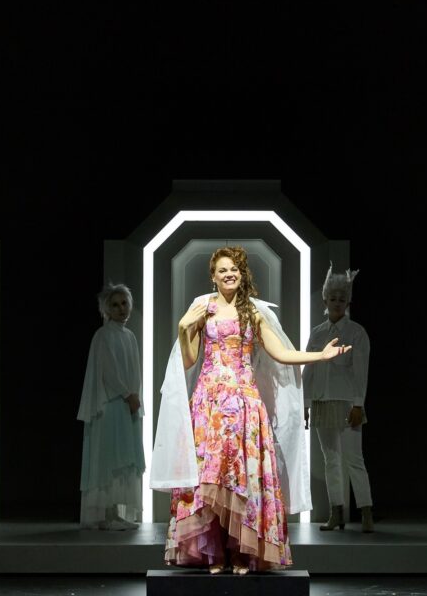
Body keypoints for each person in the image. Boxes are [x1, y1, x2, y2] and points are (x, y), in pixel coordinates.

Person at [153, 246, 350, 575]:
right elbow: (188, 360)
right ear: (213, 276)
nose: (229, 274)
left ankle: (242, 553)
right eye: (223, 270)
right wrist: (183, 328)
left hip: (245, 405)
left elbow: (280, 353)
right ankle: (214, 552)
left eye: (234, 269)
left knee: (242, 478)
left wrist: (320, 356)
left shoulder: (253, 312)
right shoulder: (203, 308)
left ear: (241, 274)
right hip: (209, 405)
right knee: (210, 478)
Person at [302, 266, 374, 532]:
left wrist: (358, 404)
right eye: (332, 298)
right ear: (325, 301)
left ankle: (366, 511)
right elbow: (309, 369)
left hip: (347, 403)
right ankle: (337, 512)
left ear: (348, 303)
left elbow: (361, 371)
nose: (336, 303)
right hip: (322, 402)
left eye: (341, 299)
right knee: (330, 460)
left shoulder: (356, 332)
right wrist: (305, 403)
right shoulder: (317, 332)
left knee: (354, 459)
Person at [77, 283, 144, 530]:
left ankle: (115, 513)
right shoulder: (103, 335)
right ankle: (105, 515)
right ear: (107, 309)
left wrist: (134, 397)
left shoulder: (129, 336)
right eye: (115, 305)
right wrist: (127, 394)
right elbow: (108, 372)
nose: (121, 309)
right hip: (111, 404)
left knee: (123, 457)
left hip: (127, 405)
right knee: (109, 457)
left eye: (124, 303)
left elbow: (134, 371)